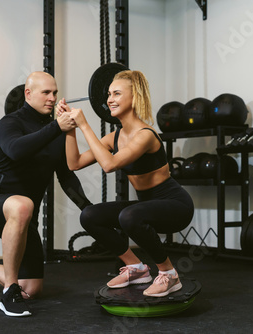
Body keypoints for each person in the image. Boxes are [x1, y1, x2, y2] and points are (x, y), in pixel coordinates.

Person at [0, 71, 92, 317]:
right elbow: (17, 150)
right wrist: (56, 127)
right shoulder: (10, 123)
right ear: (28, 94)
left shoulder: (57, 131)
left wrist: (89, 210)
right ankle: (8, 294)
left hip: (25, 218)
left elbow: (66, 176)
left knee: (31, 289)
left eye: (55, 92)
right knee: (24, 204)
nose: (52, 97)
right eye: (46, 92)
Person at [57, 70, 194, 297]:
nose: (110, 99)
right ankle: (136, 268)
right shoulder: (115, 137)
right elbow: (75, 162)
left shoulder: (146, 135)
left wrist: (84, 125)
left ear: (135, 97)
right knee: (90, 215)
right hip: (145, 207)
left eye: (117, 93)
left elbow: (109, 165)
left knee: (129, 216)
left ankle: (169, 274)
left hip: (176, 206)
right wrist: (70, 127)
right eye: (109, 94)